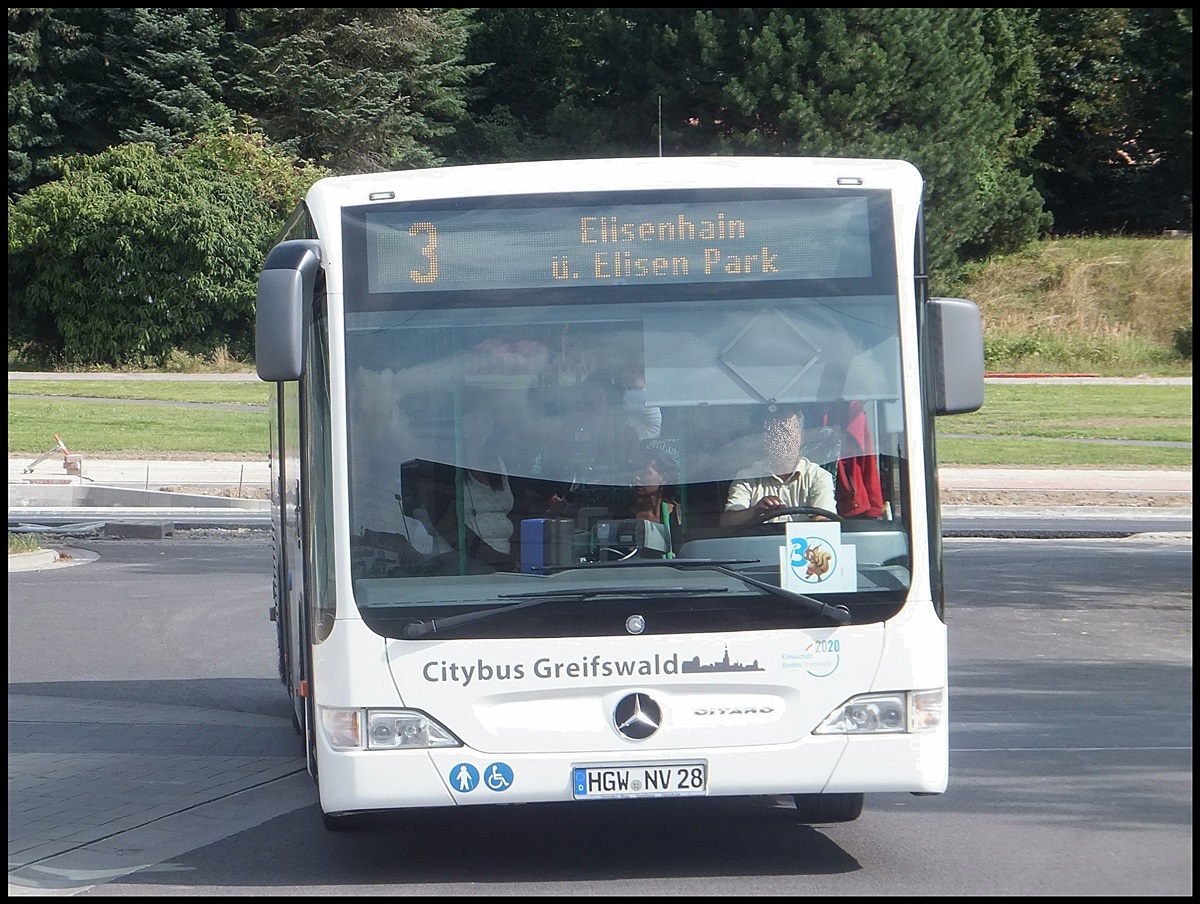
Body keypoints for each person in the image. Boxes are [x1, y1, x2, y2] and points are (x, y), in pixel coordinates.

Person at [423, 389, 516, 572]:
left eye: (485, 417)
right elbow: (447, 525)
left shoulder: (498, 463)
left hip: (503, 567)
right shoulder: (442, 467)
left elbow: (519, 513)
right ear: (456, 422)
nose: (480, 424)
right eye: (472, 417)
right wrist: (496, 561)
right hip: (458, 566)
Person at [720, 406, 836, 527]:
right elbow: (727, 523)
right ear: (764, 439)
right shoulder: (747, 477)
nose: (781, 439)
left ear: (801, 437)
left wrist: (817, 520)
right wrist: (755, 511)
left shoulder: (818, 477)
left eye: (787, 432)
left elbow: (826, 525)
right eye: (773, 432)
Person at [622, 447, 683, 555]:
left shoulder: (678, 515)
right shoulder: (625, 515)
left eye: (644, 473)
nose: (636, 477)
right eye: (635, 472)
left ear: (664, 478)